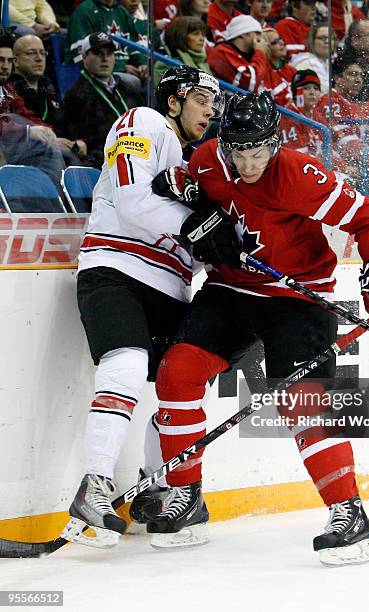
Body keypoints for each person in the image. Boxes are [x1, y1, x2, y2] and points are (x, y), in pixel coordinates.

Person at [142, 91, 369, 565]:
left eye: (257, 153)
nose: (247, 164)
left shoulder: (301, 176)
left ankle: (350, 515)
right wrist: (187, 198)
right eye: (238, 153)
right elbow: (184, 182)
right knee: (177, 372)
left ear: (275, 143)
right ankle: (187, 498)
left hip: (297, 298)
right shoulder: (208, 158)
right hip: (231, 290)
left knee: (301, 401)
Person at [61, 65, 224, 549]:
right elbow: (132, 199)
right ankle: (94, 486)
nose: (210, 110)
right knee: (127, 367)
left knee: (183, 387)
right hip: (115, 269)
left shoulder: (198, 165)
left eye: (213, 103)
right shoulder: (143, 122)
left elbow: (196, 250)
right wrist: (196, 226)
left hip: (170, 287)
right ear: (173, 100)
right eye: (199, 99)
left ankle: (156, 490)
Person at [62, 33, 142, 168]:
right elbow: (82, 141)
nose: (105, 59)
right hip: (105, 161)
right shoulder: (76, 95)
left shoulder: (126, 87)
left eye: (110, 53)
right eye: (98, 53)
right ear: (84, 57)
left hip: (137, 152)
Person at [10, 34, 87, 165]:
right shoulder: (9, 92)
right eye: (31, 53)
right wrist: (52, 142)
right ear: (16, 61)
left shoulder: (49, 90)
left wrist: (78, 142)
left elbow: (67, 124)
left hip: (61, 156)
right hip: (29, 159)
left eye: (42, 53)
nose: (39, 58)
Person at [0, 29, 65, 183]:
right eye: (1, 60)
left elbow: (26, 116)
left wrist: (46, 132)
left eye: (9, 61)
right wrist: (27, 131)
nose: (5, 67)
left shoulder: (7, 90)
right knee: (50, 150)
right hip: (8, 149)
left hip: (11, 146)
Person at [207, 15, 269, 92]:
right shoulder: (221, 53)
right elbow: (249, 83)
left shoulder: (252, 55)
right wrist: (260, 52)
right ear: (244, 34)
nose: (261, 38)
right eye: (257, 33)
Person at [280, 68, 321, 155]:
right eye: (306, 88)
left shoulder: (317, 115)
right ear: (296, 93)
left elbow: (328, 149)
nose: (312, 92)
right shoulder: (288, 117)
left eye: (316, 88)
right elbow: (299, 158)